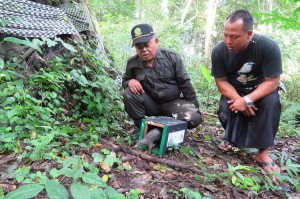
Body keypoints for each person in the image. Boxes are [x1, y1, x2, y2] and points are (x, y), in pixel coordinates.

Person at [211, 10, 282, 174]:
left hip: (261, 89)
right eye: (225, 35)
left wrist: (248, 99)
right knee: (226, 106)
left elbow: (272, 81)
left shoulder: (268, 47)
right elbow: (221, 81)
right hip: (236, 89)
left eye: (234, 36)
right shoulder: (219, 51)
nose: (228, 41)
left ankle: (263, 153)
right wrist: (239, 99)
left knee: (271, 103)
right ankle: (232, 140)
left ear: (249, 34)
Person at [122, 23, 203, 139]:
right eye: (139, 47)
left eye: (147, 45)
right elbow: (125, 80)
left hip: (173, 104)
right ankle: (141, 128)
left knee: (194, 117)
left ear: (156, 41)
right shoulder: (132, 63)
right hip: (150, 104)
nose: (144, 50)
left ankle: (158, 130)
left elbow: (185, 84)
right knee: (129, 93)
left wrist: (195, 107)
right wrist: (130, 82)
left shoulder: (172, 57)